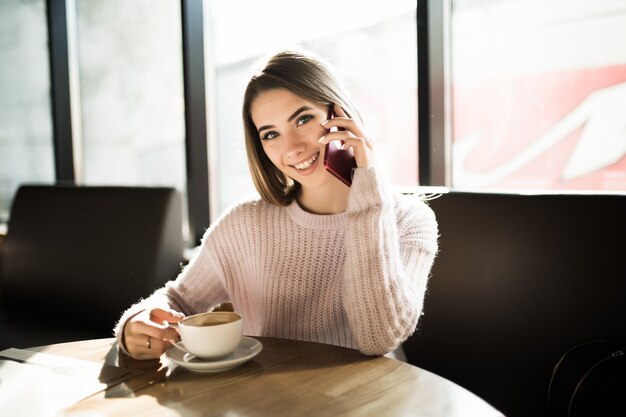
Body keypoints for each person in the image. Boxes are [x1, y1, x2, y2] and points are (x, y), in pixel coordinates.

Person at [115, 48, 439, 360]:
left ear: (339, 113)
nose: (292, 148)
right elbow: (178, 299)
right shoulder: (244, 224)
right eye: (271, 135)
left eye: (302, 120)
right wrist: (137, 322)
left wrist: (368, 194)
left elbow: (378, 337)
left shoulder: (409, 220)